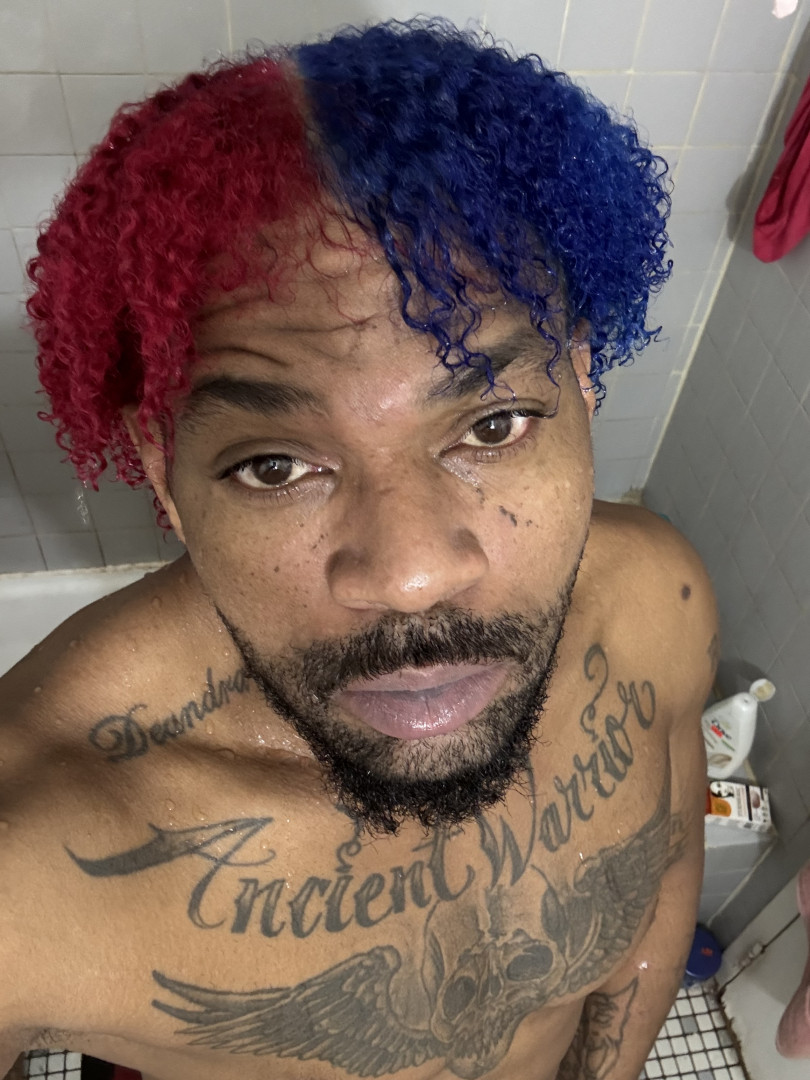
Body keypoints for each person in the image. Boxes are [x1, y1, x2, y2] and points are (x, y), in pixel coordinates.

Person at [0, 18, 717, 1080]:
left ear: (580, 382)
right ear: (163, 476)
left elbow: (662, 881)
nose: (412, 575)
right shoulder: (31, 860)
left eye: (492, 425)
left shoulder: (659, 602)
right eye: (275, 465)